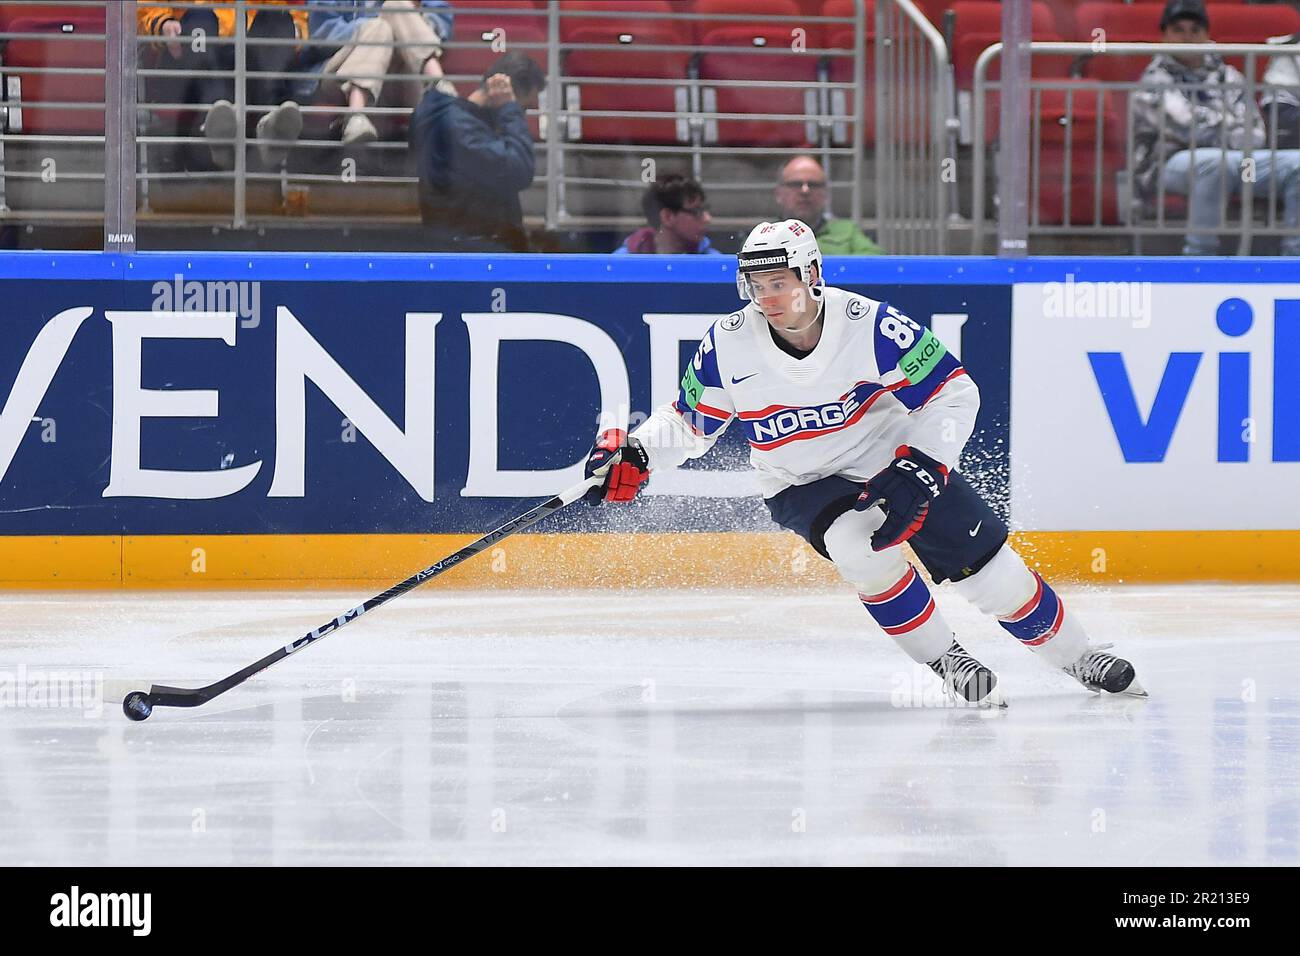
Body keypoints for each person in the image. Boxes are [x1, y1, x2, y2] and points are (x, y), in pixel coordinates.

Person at [581, 220, 1146, 706]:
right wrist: (637, 451)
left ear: (812, 277)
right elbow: (689, 421)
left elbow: (955, 392)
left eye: (780, 283)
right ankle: (947, 661)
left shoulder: (871, 323)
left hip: (892, 455)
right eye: (757, 284)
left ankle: (1080, 657)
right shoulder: (727, 343)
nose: (768, 297)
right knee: (858, 543)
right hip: (800, 479)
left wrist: (920, 466)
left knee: (991, 572)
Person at [1132, 0, 1300, 255]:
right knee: (1212, 163)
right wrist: (1228, 127)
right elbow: (1187, 129)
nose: (1187, 37)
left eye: (1195, 29)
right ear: (1164, 35)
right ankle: (1201, 258)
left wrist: (1213, 126)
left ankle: (1294, 259)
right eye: (1178, 30)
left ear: (1206, 35)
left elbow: (1254, 133)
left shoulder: (1229, 75)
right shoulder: (1153, 80)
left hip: (1238, 162)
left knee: (1297, 164)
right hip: (1169, 166)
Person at [138, 1, 307, 169]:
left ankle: (271, 125)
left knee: (276, 17)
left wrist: (296, 31)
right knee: (200, 16)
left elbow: (294, 15)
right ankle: (214, 121)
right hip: (191, 51)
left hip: (250, 53)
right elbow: (146, 8)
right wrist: (164, 24)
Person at [409, 51, 545, 252]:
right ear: (502, 93)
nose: (521, 117)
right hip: (473, 252)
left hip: (465, 248)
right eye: (522, 108)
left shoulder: (457, 122)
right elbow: (519, 170)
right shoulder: (461, 128)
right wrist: (509, 108)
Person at [305, 0, 456, 147]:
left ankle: (437, 84)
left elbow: (441, 17)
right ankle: (356, 113)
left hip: (399, 79)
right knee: (379, 27)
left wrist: (411, 24)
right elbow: (323, 32)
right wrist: (371, 27)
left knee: (396, 5)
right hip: (339, 75)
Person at [772, 155, 885, 255]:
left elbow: (877, 263)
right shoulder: (765, 236)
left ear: (825, 193)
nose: (805, 191)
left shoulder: (847, 232)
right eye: (795, 184)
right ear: (778, 193)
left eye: (813, 184)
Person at [613, 175, 723, 255]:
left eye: (705, 210)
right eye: (697, 211)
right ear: (667, 217)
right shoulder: (620, 263)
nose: (708, 219)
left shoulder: (714, 261)